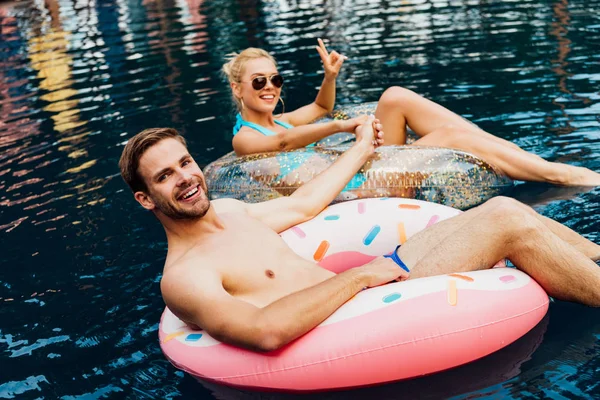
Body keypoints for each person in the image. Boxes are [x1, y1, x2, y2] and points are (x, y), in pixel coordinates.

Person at [119, 117, 600, 352]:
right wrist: (358, 278)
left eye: (184, 162)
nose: (185, 177)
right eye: (164, 176)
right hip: (352, 309)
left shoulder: (230, 211)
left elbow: (306, 203)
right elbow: (263, 333)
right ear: (146, 198)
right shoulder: (183, 278)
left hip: (369, 284)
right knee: (505, 222)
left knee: (500, 204)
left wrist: (360, 147)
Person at [222, 39, 600, 186]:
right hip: (352, 186)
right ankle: (563, 174)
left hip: (360, 163)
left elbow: (322, 107)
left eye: (275, 78)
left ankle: (521, 157)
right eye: (258, 82)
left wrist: (329, 76)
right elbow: (285, 141)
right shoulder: (246, 137)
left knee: (395, 96)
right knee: (453, 139)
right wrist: (349, 125)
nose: (270, 87)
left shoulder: (281, 118)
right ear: (238, 89)